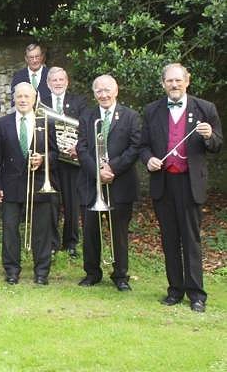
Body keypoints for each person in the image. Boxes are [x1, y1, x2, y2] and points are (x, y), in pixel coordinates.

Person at [140, 63, 222, 313]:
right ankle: (175, 290)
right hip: (163, 183)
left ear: (187, 81)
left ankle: (196, 294)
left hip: (190, 183)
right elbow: (143, 145)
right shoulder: (152, 110)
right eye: (169, 81)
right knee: (169, 239)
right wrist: (149, 159)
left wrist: (209, 136)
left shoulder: (205, 108)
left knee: (191, 240)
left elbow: (218, 144)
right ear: (163, 83)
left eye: (178, 80)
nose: (174, 85)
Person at [76, 75, 141, 292]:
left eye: (107, 90)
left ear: (116, 90)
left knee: (119, 233)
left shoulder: (131, 116)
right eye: (98, 91)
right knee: (90, 232)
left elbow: (135, 147)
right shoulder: (87, 116)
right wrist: (97, 172)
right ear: (94, 94)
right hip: (91, 183)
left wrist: (112, 168)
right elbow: (82, 148)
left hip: (120, 183)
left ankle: (120, 275)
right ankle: (92, 273)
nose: (103, 95)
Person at [0, 82, 58, 285]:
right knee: (10, 230)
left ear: (35, 99)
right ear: (14, 98)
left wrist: (43, 159)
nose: (22, 100)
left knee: (41, 231)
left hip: (39, 182)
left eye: (26, 97)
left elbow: (56, 153)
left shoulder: (45, 121)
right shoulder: (2, 123)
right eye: (19, 96)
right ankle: (12, 270)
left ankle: (41, 272)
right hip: (11, 184)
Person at [40, 67, 88, 257]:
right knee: (51, 201)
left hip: (71, 160)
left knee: (71, 203)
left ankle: (71, 242)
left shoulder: (79, 101)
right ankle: (52, 242)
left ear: (67, 82)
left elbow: (85, 125)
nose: (58, 83)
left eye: (61, 79)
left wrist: (77, 146)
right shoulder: (41, 102)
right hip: (50, 159)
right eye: (54, 80)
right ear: (48, 83)